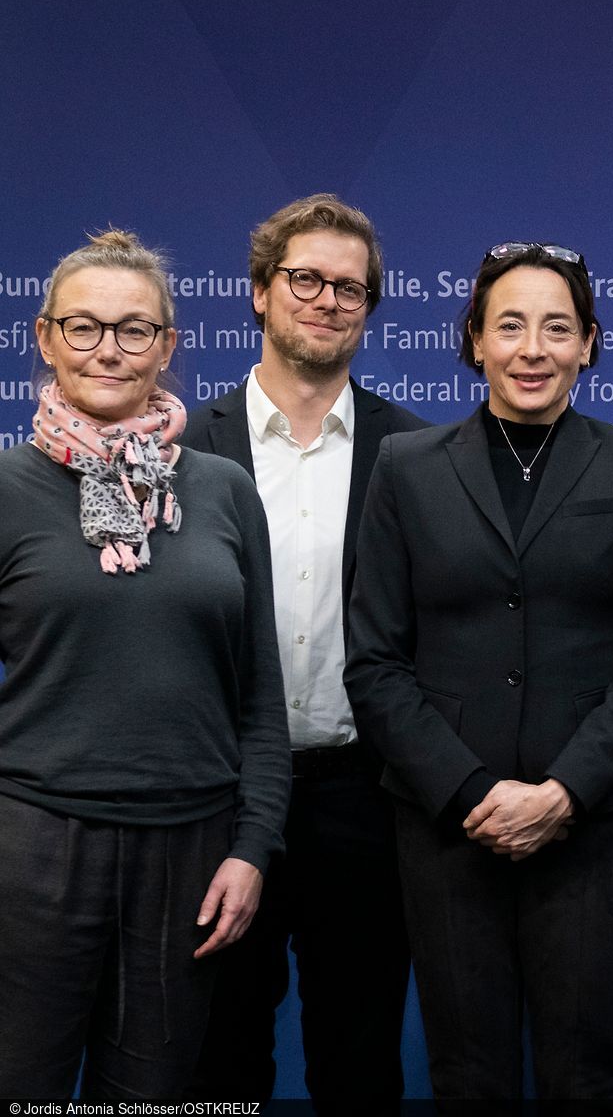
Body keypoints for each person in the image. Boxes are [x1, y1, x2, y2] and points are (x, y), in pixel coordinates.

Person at [345, 241, 613, 1100]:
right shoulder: (407, 468)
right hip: (446, 828)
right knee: (467, 1070)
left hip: (590, 825)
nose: (533, 348)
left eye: (556, 328)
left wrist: (563, 792)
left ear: (589, 345)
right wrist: (468, 794)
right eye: (510, 326)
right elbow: (376, 662)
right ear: (474, 341)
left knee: (585, 1071)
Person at [0, 230, 290, 1097]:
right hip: (34, 850)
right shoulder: (7, 490)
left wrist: (252, 849)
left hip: (193, 858)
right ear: (45, 338)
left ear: (167, 347)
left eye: (135, 331)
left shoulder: (223, 489)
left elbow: (261, 701)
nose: (109, 351)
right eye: (84, 328)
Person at [184, 195, 425, 1105]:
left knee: (359, 1064)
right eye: (306, 280)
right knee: (219, 1061)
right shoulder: (181, 451)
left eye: (350, 289)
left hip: (364, 799)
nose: (327, 300)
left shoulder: (416, 449)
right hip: (216, 796)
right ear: (258, 293)